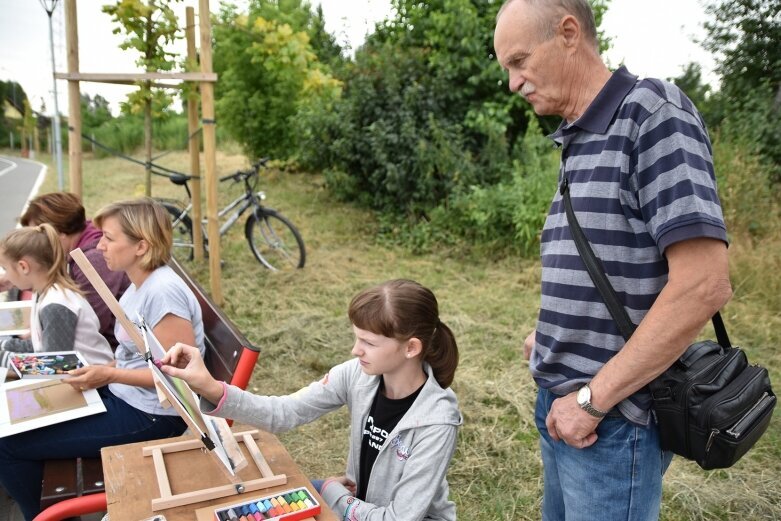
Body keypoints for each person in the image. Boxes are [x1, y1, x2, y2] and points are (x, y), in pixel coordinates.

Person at [494, 1, 732, 520]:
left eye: (518, 61)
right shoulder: (579, 137)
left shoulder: (652, 113)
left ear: (569, 33)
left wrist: (593, 400)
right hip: (562, 403)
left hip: (611, 419)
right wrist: (558, 336)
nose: (512, 82)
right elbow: (613, 263)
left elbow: (703, 285)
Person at [161, 279, 462, 521]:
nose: (356, 350)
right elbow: (283, 413)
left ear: (411, 348)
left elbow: (400, 518)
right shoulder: (357, 375)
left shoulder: (437, 422)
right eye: (357, 338)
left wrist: (335, 496)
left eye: (368, 343)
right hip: (358, 503)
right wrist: (211, 387)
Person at [0, 198, 205, 520]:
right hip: (128, 399)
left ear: (141, 246)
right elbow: (138, 359)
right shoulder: (139, 286)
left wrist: (109, 376)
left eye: (109, 238)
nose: (101, 246)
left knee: (8, 445)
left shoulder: (162, 292)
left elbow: (180, 378)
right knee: (12, 422)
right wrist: (106, 371)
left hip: (151, 415)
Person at [15, 192, 130, 348]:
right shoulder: (82, 241)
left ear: (58, 235)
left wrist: (36, 336)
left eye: (37, 237)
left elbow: (91, 323)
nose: (33, 245)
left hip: (111, 351)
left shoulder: (93, 261)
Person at [0, 224, 114, 366]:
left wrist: (4, 359)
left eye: (5, 268)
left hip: (97, 385)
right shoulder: (46, 292)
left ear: (23, 267)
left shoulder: (55, 305)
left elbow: (55, 366)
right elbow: (41, 346)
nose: (5, 276)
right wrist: (6, 345)